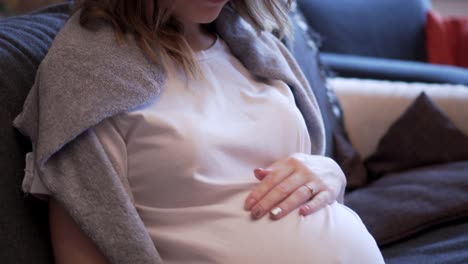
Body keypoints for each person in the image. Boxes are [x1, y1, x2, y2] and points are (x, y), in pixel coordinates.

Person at [14, 0, 385, 263]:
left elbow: (306, 175)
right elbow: (82, 238)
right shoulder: (86, 76)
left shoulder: (254, 45)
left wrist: (329, 175)